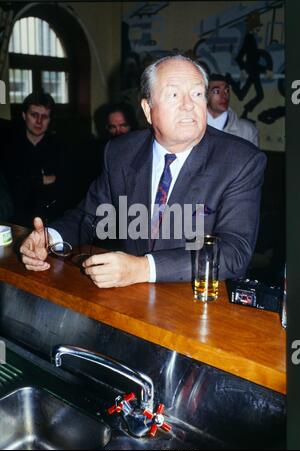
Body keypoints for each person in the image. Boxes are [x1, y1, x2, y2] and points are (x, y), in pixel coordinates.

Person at [20, 55, 267, 289]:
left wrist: (143, 269)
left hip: (200, 303)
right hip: (133, 301)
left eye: (197, 94)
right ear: (148, 109)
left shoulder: (240, 161)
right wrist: (49, 237)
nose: (188, 105)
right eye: (173, 94)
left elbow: (234, 253)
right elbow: (90, 216)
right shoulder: (120, 152)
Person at [3, 92, 65, 227]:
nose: (39, 121)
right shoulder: (9, 146)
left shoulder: (60, 146)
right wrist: (43, 179)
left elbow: (64, 186)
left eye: (45, 116)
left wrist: (29, 180)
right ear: (24, 115)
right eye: (34, 115)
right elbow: (13, 186)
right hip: (16, 219)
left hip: (52, 220)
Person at [207, 73, 259, 146]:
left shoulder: (247, 130)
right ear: (205, 95)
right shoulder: (192, 128)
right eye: (217, 91)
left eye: (226, 90)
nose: (224, 96)